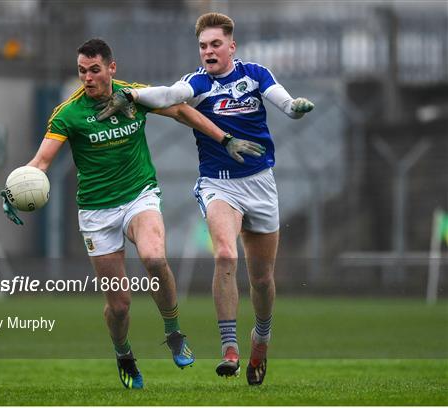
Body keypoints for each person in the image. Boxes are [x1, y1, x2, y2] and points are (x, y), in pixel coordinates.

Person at [0, 38, 265, 390]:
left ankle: (173, 332)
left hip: (139, 195)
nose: (88, 78)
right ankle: (124, 353)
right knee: (120, 305)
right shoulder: (69, 113)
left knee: (155, 257)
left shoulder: (134, 97)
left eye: (95, 70)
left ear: (112, 68)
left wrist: (224, 138)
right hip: (96, 212)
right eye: (82, 71)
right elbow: (41, 162)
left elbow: (181, 110)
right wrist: (14, 189)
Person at [96, 13, 314, 386]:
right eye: (203, 46)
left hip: (260, 183)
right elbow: (168, 95)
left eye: (215, 45)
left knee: (261, 280)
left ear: (232, 46)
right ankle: (229, 349)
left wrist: (296, 107)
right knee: (226, 254)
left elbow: (285, 103)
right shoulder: (196, 82)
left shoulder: (256, 74)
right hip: (218, 185)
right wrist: (131, 94)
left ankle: (260, 339)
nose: (208, 51)